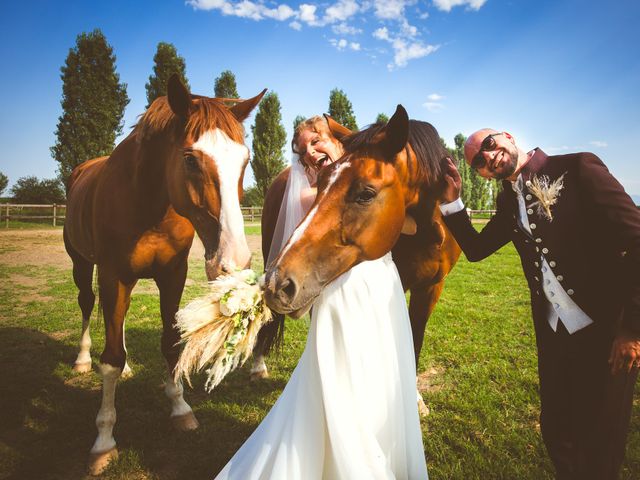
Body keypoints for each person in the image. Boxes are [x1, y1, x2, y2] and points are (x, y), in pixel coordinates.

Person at [215, 116, 428, 479]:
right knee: (345, 378)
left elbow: (402, 221)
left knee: (384, 371)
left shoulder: (360, 172)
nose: (310, 153)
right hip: (345, 291)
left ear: (338, 140)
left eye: (316, 142)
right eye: (302, 150)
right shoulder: (317, 189)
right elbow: (401, 224)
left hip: (381, 284)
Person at [439, 128, 640, 479]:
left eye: (489, 145)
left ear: (507, 136)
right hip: (554, 334)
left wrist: (632, 329)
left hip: (609, 332)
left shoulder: (579, 169)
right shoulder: (506, 201)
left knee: (601, 441)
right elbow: (476, 250)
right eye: (478, 162)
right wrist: (452, 201)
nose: (488, 157)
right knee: (558, 431)